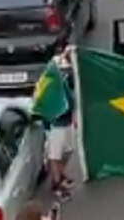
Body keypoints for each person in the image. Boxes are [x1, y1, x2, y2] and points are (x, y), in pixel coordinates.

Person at [43, 52, 77, 201]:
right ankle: (56, 185)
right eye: (63, 70)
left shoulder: (65, 81)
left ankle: (60, 175)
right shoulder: (50, 86)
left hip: (67, 121)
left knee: (68, 150)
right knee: (55, 156)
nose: (66, 73)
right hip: (56, 125)